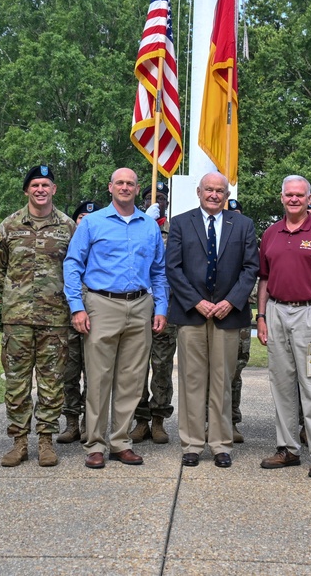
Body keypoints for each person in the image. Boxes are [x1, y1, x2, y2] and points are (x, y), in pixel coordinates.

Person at [63, 168, 168, 469]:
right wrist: (76, 307)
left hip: (139, 305)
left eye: (130, 184)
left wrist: (160, 308)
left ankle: (121, 442)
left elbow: (159, 271)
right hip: (101, 304)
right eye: (119, 183)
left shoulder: (148, 226)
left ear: (137, 189)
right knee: (98, 379)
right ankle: (95, 443)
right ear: (110, 188)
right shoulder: (93, 223)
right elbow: (72, 264)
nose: (125, 187)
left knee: (132, 380)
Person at [167, 173, 259, 467]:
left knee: (222, 381)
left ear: (226, 194)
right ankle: (192, 444)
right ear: (199, 191)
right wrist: (197, 301)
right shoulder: (181, 222)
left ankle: (221, 444)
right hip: (192, 313)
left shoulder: (242, 225)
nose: (214, 195)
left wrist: (230, 301)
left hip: (227, 315)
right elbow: (173, 267)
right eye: (209, 189)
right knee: (192, 380)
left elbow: (250, 268)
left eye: (220, 190)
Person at [257, 175, 311, 478]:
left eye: (300, 195)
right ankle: (288, 449)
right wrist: (261, 316)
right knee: (281, 385)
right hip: (277, 312)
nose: (294, 199)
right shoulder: (271, 233)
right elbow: (265, 280)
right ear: (281, 198)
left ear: (309, 199)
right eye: (289, 195)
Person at [0, 165, 76, 468]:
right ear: (26, 190)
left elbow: (78, 266)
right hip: (18, 318)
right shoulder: (10, 225)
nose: (40, 189)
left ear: (54, 190)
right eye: (35, 185)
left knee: (52, 381)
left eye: (46, 185)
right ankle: (18, 442)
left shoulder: (68, 227)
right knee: (17, 382)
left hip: (55, 318)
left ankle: (46, 441)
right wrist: (12, 291)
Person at [131, 182, 178, 445]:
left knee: (161, 365)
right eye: (150, 197)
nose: (155, 201)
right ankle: (140, 420)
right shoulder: (134, 227)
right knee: (137, 365)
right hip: (136, 304)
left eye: (161, 197)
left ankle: (159, 419)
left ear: (167, 202)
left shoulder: (176, 231)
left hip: (166, 307)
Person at [57, 200, 99, 445]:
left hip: (97, 316)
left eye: (88, 218)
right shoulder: (66, 243)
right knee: (70, 373)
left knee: (94, 372)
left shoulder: (102, 244)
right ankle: (71, 421)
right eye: (80, 217)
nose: (84, 221)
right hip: (67, 316)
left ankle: (89, 423)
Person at [226, 198, 253, 443]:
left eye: (237, 214)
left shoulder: (248, 240)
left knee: (235, 371)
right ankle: (208, 421)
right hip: (211, 312)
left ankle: (232, 421)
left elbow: (253, 275)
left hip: (239, 315)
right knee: (209, 371)